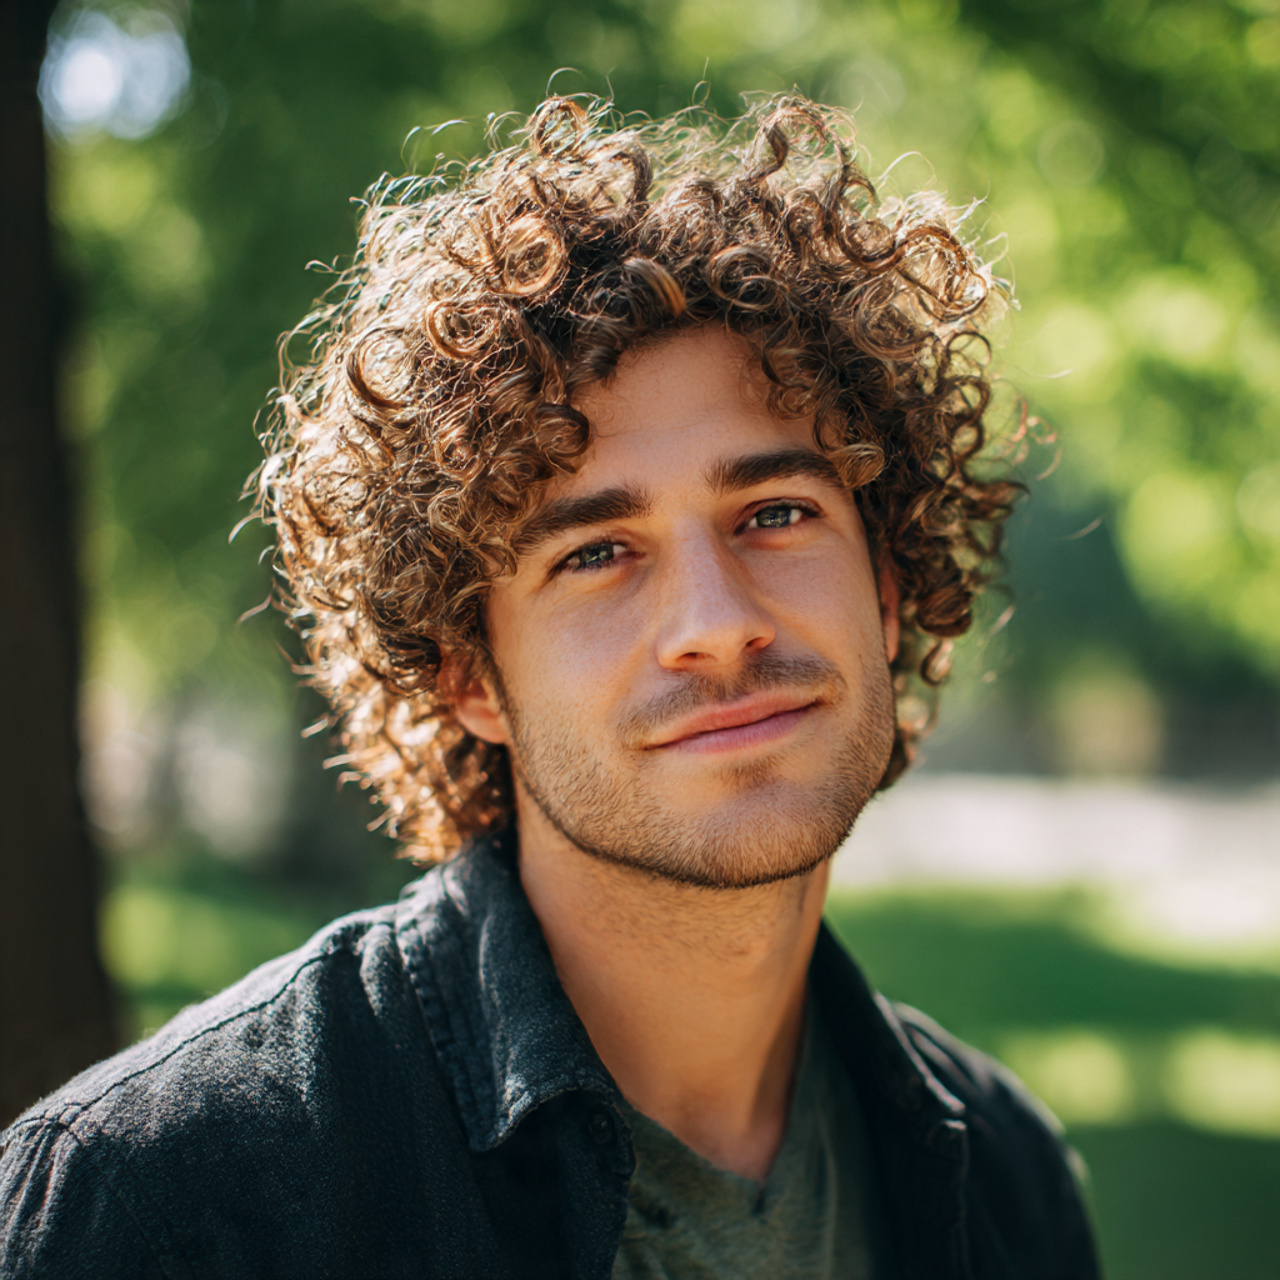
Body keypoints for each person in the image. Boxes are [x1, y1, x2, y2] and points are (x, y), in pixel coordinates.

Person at [0, 96, 1100, 1278]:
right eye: (597, 552)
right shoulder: (158, 1205)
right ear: (469, 673)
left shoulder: (1005, 1177)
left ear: (883, 591)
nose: (716, 624)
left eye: (775, 513)